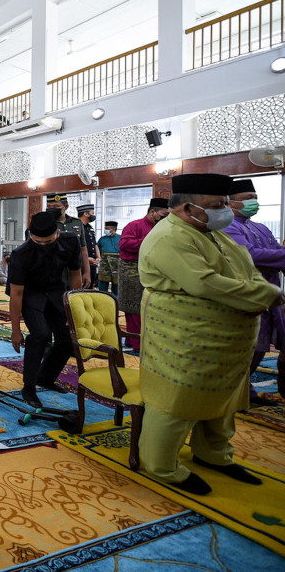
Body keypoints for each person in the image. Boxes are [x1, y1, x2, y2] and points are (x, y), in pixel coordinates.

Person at [138, 173, 281, 495]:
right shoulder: (169, 237)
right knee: (175, 402)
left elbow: (245, 270)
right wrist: (265, 295)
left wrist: (260, 289)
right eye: (216, 205)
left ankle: (214, 454)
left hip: (228, 341)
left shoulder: (211, 232)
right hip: (185, 337)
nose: (224, 210)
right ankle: (162, 466)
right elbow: (202, 282)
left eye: (223, 204)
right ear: (188, 207)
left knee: (223, 401)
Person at [7, 211, 82, 408]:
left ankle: (46, 378)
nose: (42, 246)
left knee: (67, 339)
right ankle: (29, 387)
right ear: (31, 235)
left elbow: (75, 275)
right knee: (39, 335)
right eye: (37, 242)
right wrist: (15, 330)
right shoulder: (20, 254)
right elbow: (16, 294)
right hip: (32, 294)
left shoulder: (70, 242)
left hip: (58, 292)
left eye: (47, 242)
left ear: (57, 233)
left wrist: (73, 308)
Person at [225, 178, 285, 403]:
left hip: (269, 293)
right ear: (231, 203)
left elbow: (275, 251)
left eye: (255, 198)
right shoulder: (228, 225)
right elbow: (248, 255)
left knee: (260, 348)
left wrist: (276, 257)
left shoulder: (260, 227)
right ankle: (233, 395)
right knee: (246, 348)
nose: (254, 202)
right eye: (248, 198)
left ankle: (244, 392)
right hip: (247, 295)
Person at [119, 197, 168, 350]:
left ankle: (131, 339)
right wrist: (149, 240)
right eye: (163, 215)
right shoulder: (134, 225)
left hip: (150, 270)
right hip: (132, 271)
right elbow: (124, 244)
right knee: (134, 308)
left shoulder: (161, 227)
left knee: (146, 306)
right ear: (152, 212)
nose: (164, 218)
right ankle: (137, 342)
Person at [45, 193, 91, 287]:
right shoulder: (44, 223)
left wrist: (86, 272)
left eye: (56, 206)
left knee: (73, 297)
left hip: (75, 270)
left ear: (66, 207)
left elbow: (83, 250)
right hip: (53, 270)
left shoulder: (77, 222)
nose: (52, 209)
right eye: (49, 206)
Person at [77, 203, 99, 288]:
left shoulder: (89, 227)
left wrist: (98, 257)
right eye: (92, 213)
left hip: (92, 264)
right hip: (81, 264)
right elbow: (76, 248)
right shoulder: (77, 227)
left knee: (90, 287)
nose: (93, 215)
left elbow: (94, 243)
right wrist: (85, 259)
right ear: (86, 214)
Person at [97, 221, 120, 295]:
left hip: (117, 266)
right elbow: (97, 251)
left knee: (117, 287)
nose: (105, 230)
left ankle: (116, 303)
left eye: (107, 229)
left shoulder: (121, 238)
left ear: (113, 229)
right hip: (104, 267)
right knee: (102, 288)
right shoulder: (102, 239)